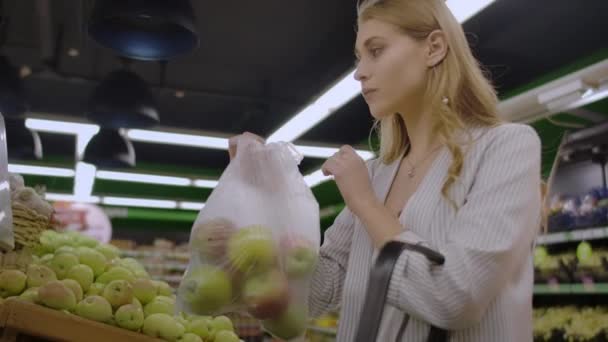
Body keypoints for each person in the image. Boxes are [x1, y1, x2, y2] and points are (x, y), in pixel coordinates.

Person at [229, 0, 541, 340]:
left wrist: (366, 205)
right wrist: (267, 199)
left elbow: (455, 299)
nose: (359, 72)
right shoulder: (377, 174)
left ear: (434, 48)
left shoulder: (506, 147)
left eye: (375, 51)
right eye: (359, 57)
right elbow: (316, 293)